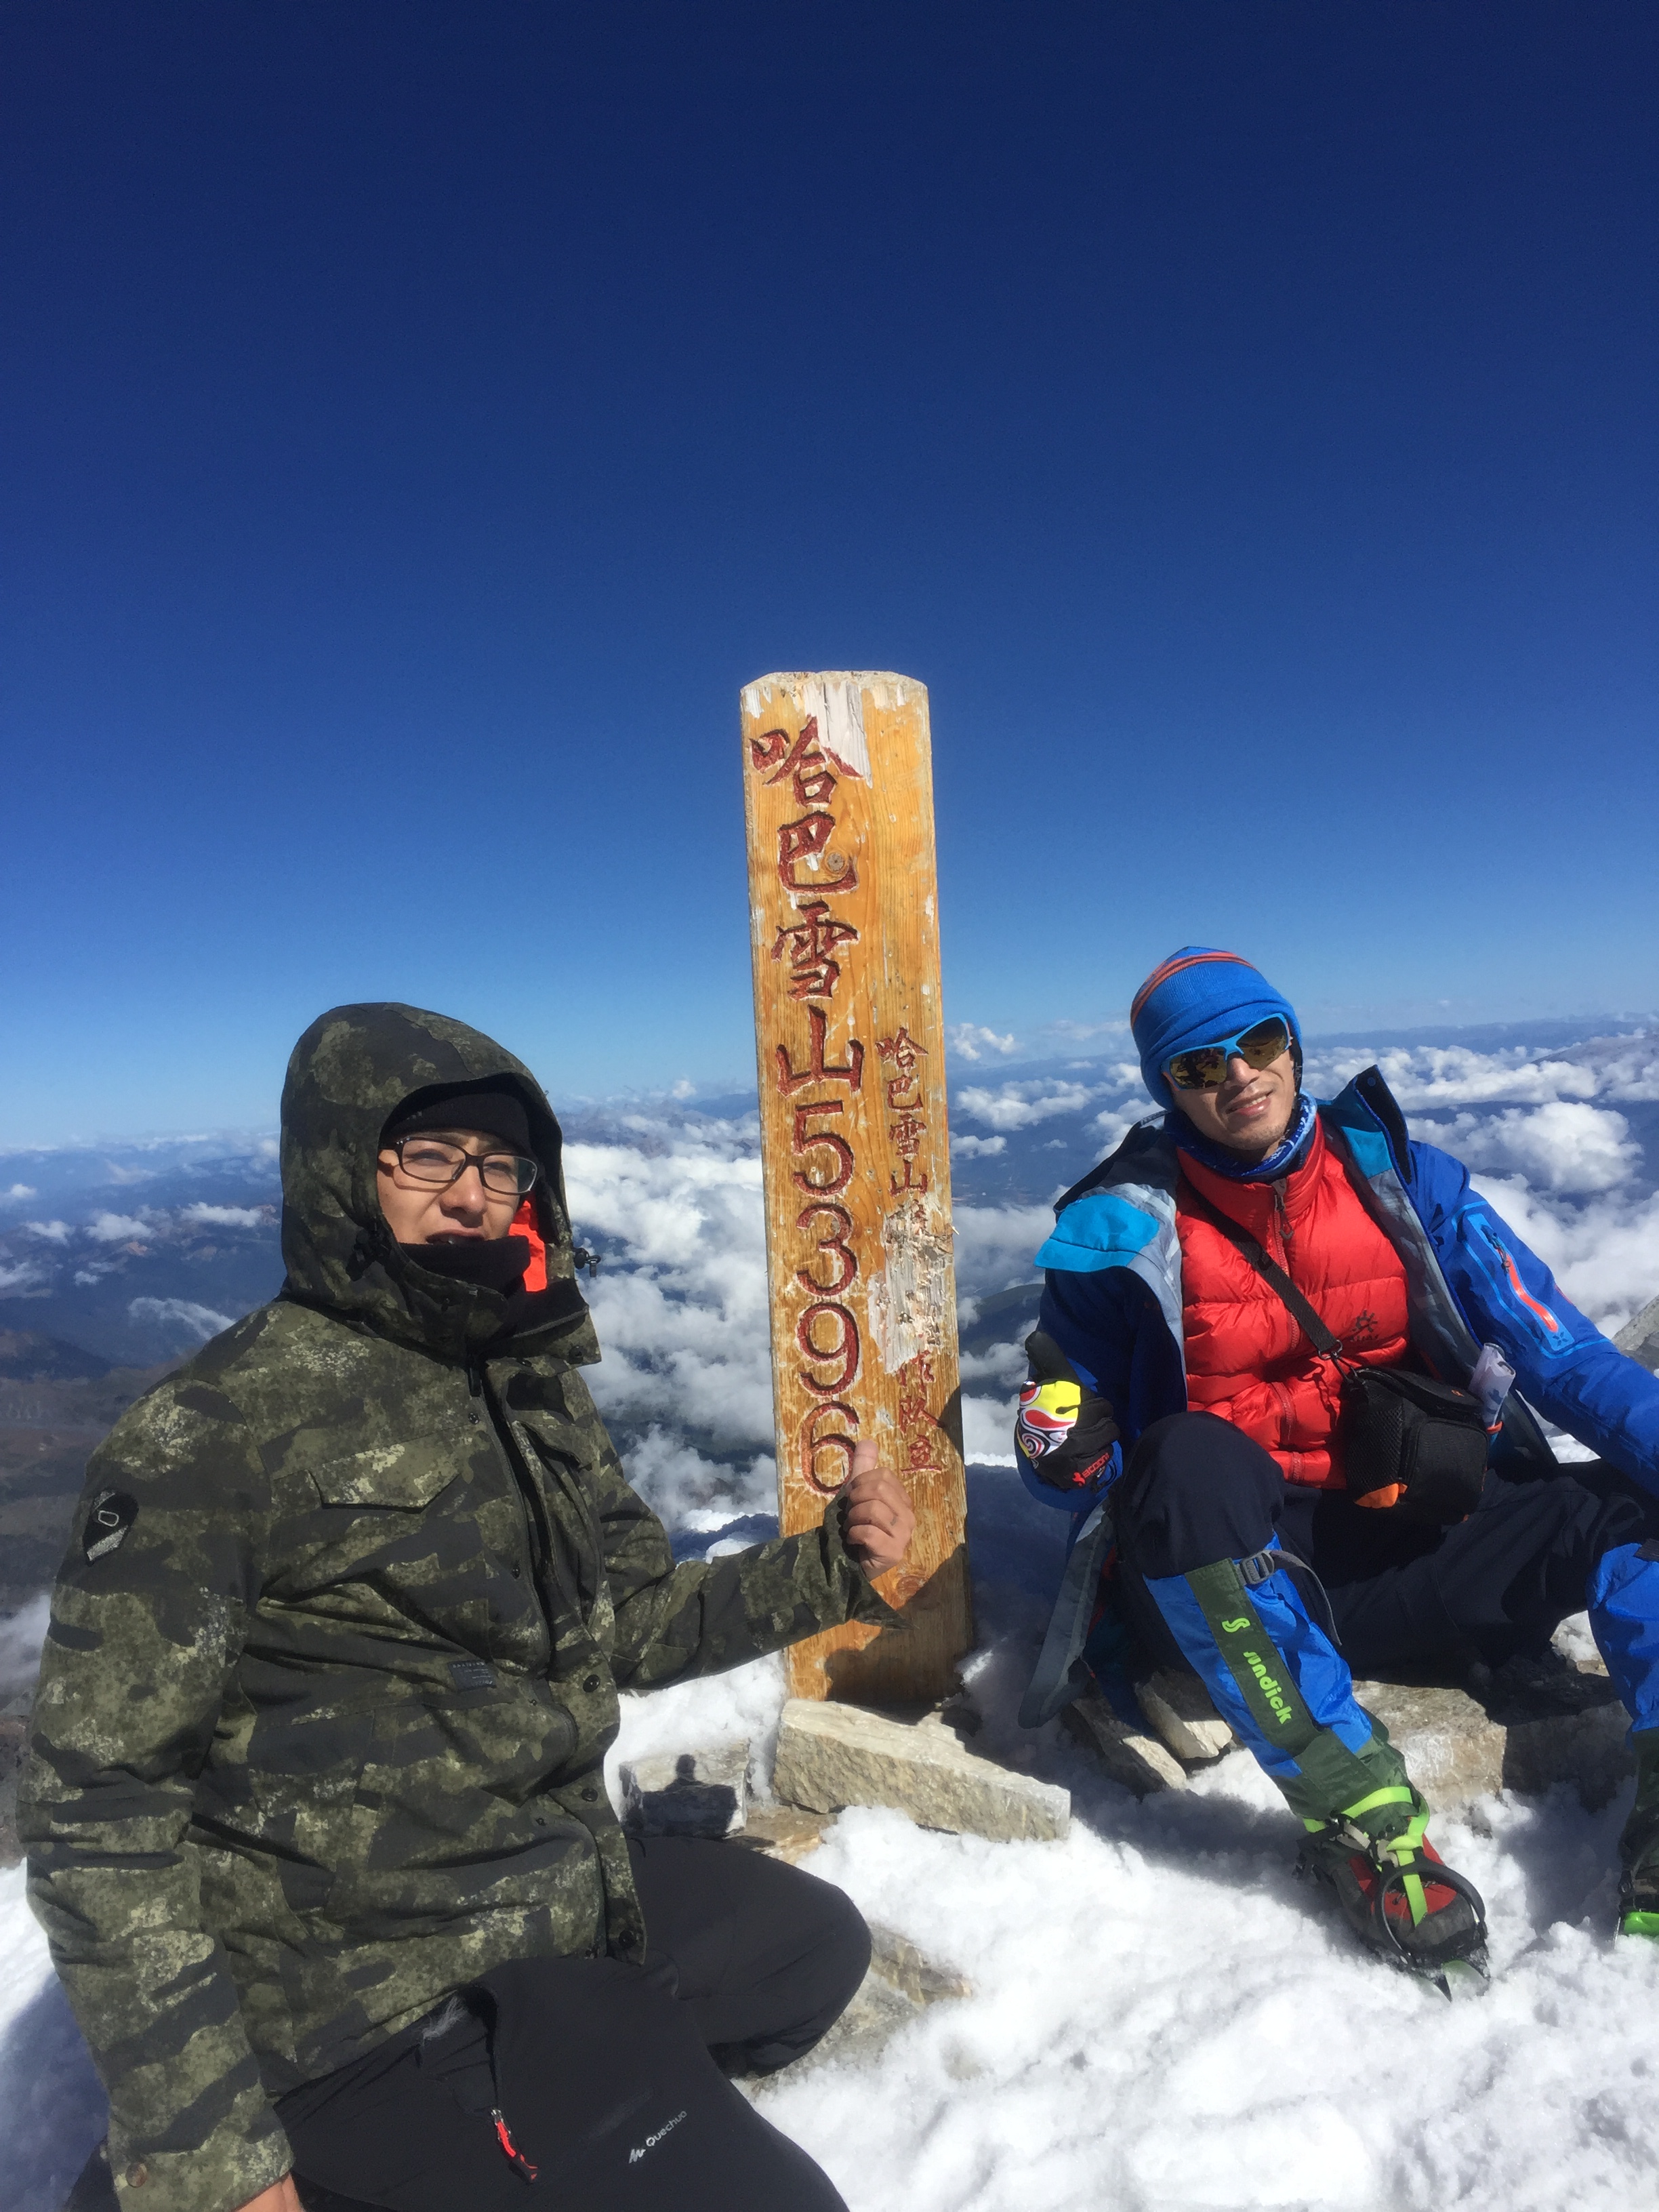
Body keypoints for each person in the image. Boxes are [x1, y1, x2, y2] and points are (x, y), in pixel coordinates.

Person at [23, 1003, 918, 2212]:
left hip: (554, 1890)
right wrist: (207, 2154)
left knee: (813, 1950)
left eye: (501, 1165)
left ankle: (579, 2092)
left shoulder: (524, 1375)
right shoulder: (213, 1434)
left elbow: (636, 1622)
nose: (472, 1194)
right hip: (365, 1990)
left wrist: (830, 1566)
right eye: (428, 1156)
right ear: (343, 1166)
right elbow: (98, 1799)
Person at [1014, 946, 1659, 1979]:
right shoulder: (1120, 1233)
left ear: (1294, 1044)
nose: (1238, 1076)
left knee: (1640, 1501)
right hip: (1258, 1573)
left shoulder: (1404, 1181)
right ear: (1166, 1087)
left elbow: (1563, 1353)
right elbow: (1071, 1444)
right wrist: (1057, 1445)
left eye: (1259, 1042)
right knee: (1184, 1460)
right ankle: (1366, 1826)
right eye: (1198, 1066)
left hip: (1425, 1534)